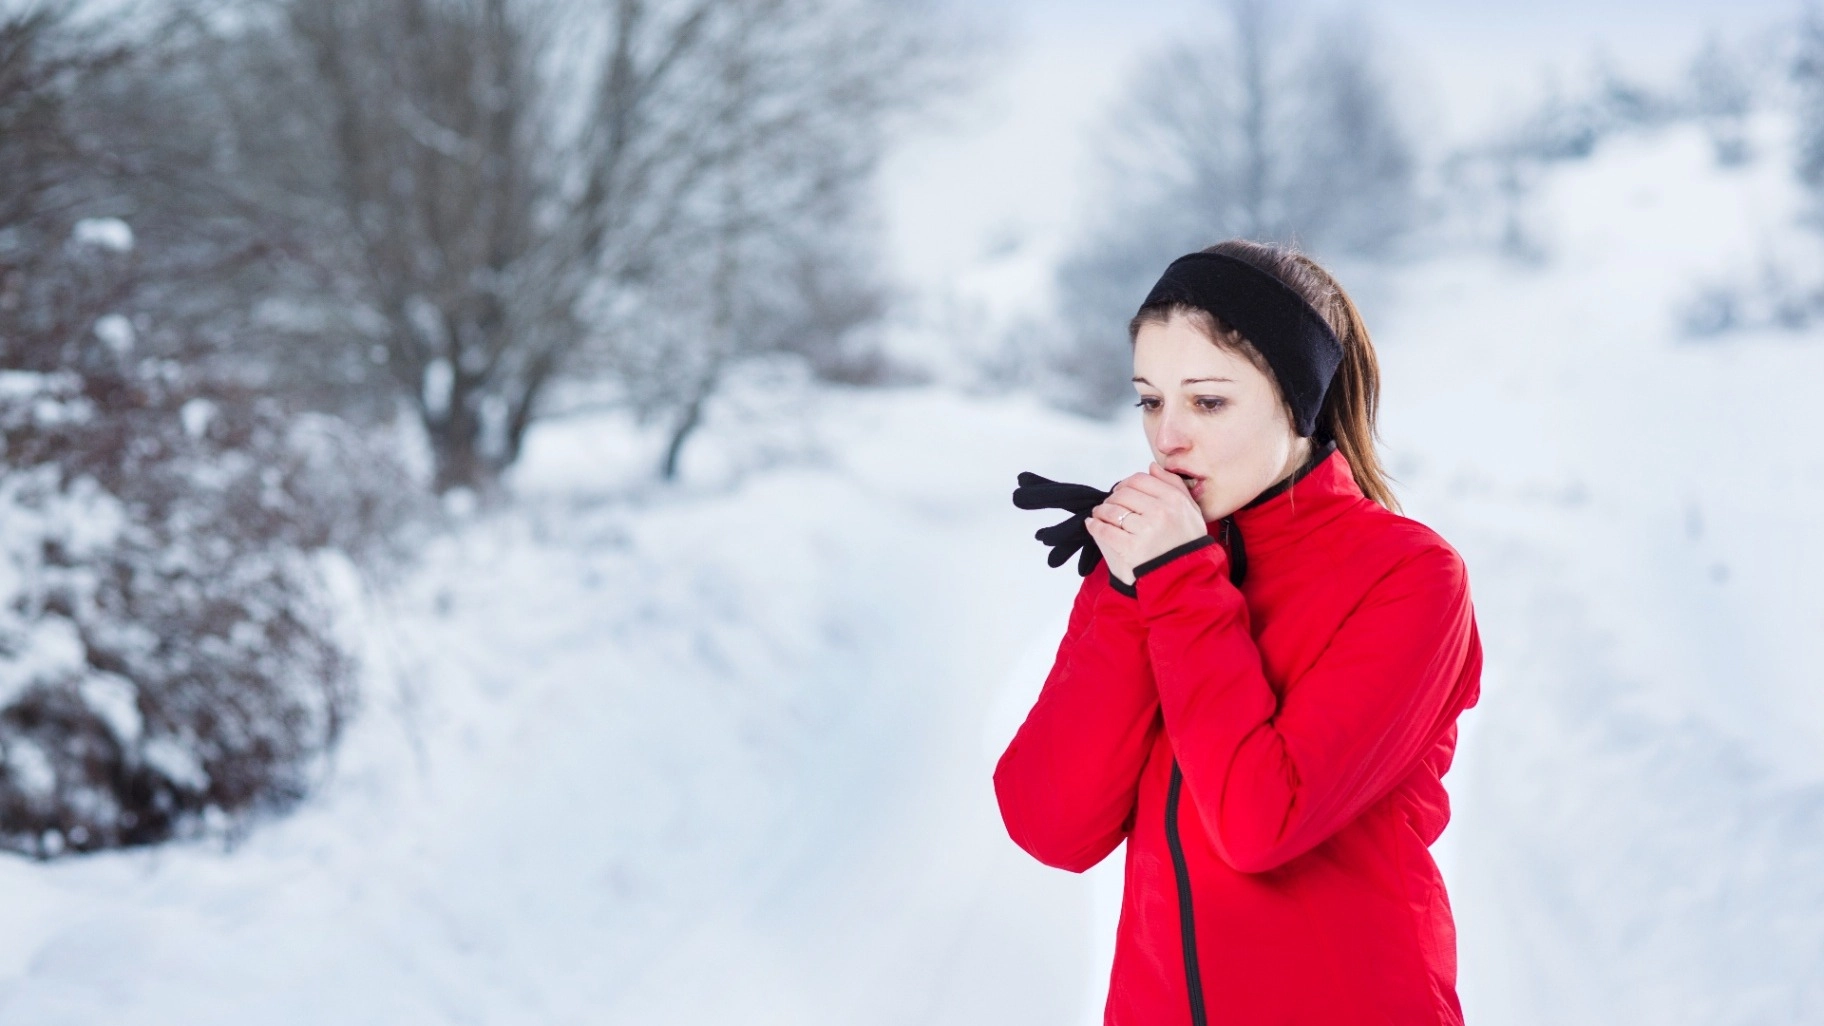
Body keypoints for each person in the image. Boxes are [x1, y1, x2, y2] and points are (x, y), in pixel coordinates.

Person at [994, 239, 1484, 1025]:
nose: (1168, 438)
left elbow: (1261, 824)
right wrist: (1127, 593)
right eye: (1150, 401)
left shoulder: (1411, 577)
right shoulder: (1149, 572)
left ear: (1298, 402)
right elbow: (1052, 823)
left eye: (1208, 402)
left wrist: (1181, 582)